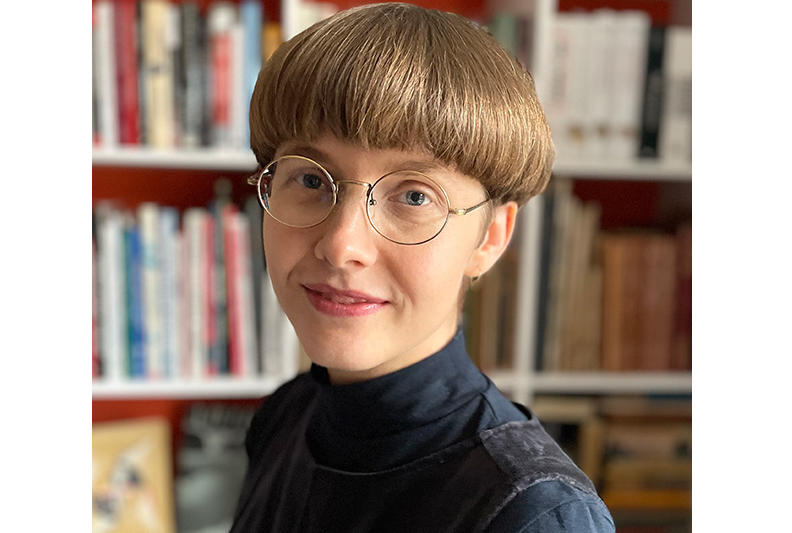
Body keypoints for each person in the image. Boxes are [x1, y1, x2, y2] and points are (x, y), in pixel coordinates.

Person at [230, 3, 615, 532]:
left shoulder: (533, 514)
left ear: (490, 238)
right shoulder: (287, 415)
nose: (342, 246)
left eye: (414, 196)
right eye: (312, 180)